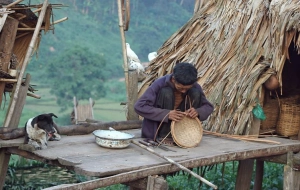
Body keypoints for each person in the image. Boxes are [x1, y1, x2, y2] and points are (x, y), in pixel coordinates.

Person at [134, 62, 214, 145]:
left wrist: (198, 112)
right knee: (166, 92)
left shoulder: (194, 85)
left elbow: (208, 106)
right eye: (180, 88)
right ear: (173, 79)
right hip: (158, 130)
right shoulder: (159, 84)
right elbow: (139, 106)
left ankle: (183, 134)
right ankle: (165, 136)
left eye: (187, 89)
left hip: (181, 128)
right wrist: (166, 114)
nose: (183, 91)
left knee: (195, 92)